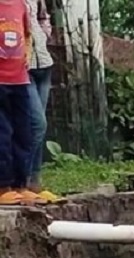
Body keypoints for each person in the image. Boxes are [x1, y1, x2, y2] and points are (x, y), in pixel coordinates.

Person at [0, 0, 37, 205]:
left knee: (23, 133)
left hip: (19, 79)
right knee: (2, 134)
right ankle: (3, 186)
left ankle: (20, 185)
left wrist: (27, 57)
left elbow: (28, 34)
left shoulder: (22, 5)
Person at [24, 0, 54, 201]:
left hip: (45, 64)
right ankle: (21, 180)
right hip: (22, 69)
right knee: (37, 124)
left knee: (38, 125)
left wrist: (44, 32)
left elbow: (43, 16)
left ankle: (34, 182)